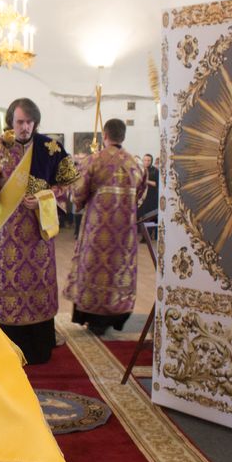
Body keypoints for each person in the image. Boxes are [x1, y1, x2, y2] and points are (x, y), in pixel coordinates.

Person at [0, 98, 80, 364]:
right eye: (20, 122)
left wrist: (46, 196)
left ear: (36, 122)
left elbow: (70, 186)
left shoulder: (51, 148)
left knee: (37, 283)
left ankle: (37, 347)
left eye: (29, 122)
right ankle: (1, 346)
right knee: (2, 284)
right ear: (11, 121)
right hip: (3, 233)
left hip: (36, 235)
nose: (25, 127)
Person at [65, 119, 148, 335]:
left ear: (105, 135)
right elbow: (140, 194)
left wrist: (80, 201)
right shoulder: (135, 164)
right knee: (118, 271)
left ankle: (93, 318)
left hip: (97, 229)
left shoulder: (94, 160)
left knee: (94, 270)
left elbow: (78, 193)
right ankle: (115, 317)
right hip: (125, 233)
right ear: (123, 136)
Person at [137, 153, 159, 236]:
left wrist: (146, 181)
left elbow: (157, 184)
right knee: (141, 216)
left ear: (151, 161)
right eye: (145, 160)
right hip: (141, 198)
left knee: (149, 217)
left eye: (148, 160)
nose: (146, 162)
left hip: (151, 198)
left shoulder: (155, 171)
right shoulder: (140, 170)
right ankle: (142, 235)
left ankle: (147, 236)